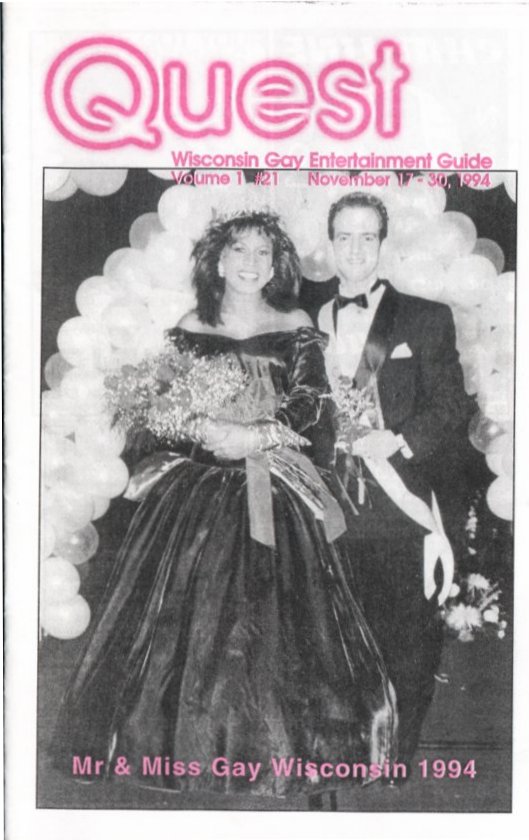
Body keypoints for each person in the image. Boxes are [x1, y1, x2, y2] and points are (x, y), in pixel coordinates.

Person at [50, 210, 397, 800]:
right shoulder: (191, 325)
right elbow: (163, 412)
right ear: (216, 260)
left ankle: (278, 753)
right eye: (239, 250)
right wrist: (201, 429)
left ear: (277, 265)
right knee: (187, 625)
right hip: (198, 493)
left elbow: (313, 403)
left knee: (278, 626)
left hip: (274, 487)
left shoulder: (295, 324)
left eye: (263, 253)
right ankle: (189, 747)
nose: (250, 263)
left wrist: (255, 435)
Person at [300, 191, 474, 771]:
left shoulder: (425, 317)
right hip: (329, 505)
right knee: (332, 636)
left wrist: (397, 439)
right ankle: (347, 750)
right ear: (330, 243)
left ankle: (396, 756)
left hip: (399, 505)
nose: (355, 249)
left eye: (367, 237)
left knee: (407, 637)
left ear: (382, 243)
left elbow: (451, 406)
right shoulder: (306, 321)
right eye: (344, 237)